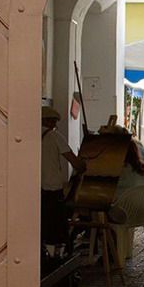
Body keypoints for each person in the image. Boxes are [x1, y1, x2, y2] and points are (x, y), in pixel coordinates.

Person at [40, 105, 86, 253]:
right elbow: (73, 161)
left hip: (34, 187)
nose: (55, 126)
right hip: (52, 187)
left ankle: (43, 251)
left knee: (41, 222)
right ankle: (55, 254)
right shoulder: (54, 136)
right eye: (53, 122)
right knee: (55, 224)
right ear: (49, 121)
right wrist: (83, 166)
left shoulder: (29, 135)